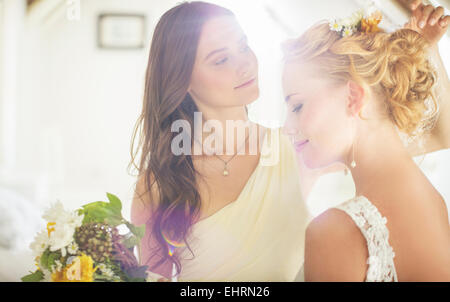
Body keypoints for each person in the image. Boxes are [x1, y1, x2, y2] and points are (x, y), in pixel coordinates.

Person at [129, 1, 310, 281]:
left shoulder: (295, 145)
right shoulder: (156, 184)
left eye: (243, 45)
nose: (245, 64)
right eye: (221, 60)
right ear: (183, 79)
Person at [282, 2, 450, 281]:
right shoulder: (432, 201)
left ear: (353, 97)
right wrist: (425, 49)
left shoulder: (336, 232)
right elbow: (441, 134)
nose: (287, 127)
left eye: (297, 106)